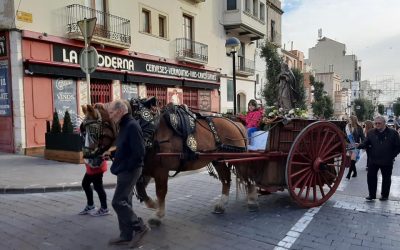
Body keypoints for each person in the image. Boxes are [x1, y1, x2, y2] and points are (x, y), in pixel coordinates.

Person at [104, 100, 148, 247]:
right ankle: (126, 235)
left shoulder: (131, 126)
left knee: (118, 202)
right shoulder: (124, 125)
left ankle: (140, 227)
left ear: (120, 111)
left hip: (130, 170)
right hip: (124, 168)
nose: (110, 116)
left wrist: (126, 166)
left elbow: (140, 152)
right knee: (125, 201)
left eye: (111, 112)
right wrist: (112, 154)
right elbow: (125, 147)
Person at [357, 115, 400, 201]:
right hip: (373, 160)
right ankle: (372, 195)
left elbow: (398, 147)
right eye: (376, 123)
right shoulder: (370, 132)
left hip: (387, 161)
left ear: (384, 123)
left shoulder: (393, 133)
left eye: (379, 123)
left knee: (386, 179)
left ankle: (384, 195)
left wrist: (392, 156)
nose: (377, 125)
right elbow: (365, 143)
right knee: (371, 177)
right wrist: (358, 145)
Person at [345, 115, 365, 179]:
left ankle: (349, 174)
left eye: (350, 119)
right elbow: (345, 136)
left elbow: (363, 138)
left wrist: (361, 144)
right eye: (349, 119)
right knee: (351, 160)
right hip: (349, 145)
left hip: (356, 145)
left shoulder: (359, 128)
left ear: (353, 120)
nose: (349, 120)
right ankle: (355, 172)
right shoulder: (348, 127)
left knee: (352, 160)